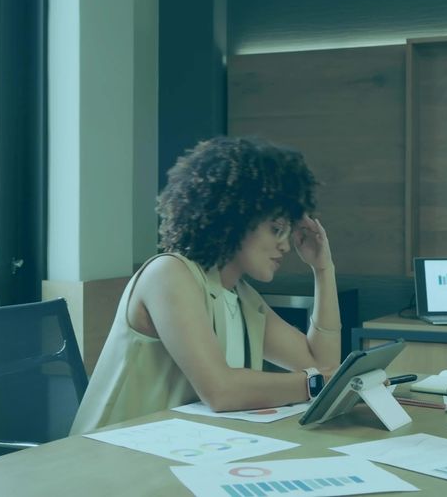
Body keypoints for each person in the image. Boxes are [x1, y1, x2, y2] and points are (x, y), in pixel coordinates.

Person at [70, 136, 342, 435]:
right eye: (275, 229)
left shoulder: (241, 296)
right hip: (112, 457)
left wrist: (323, 268)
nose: (285, 246)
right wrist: (313, 383)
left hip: (184, 451)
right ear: (235, 217)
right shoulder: (169, 274)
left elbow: (323, 364)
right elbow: (221, 391)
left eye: (287, 233)